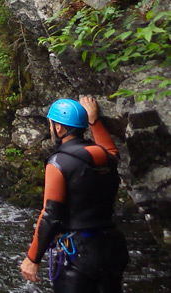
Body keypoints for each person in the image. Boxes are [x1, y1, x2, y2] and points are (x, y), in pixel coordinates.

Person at [20, 95, 129, 292]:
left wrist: (32, 258)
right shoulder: (104, 156)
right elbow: (113, 152)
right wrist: (94, 121)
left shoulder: (58, 163)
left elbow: (50, 214)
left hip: (79, 253)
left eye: (52, 124)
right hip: (111, 247)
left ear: (59, 128)